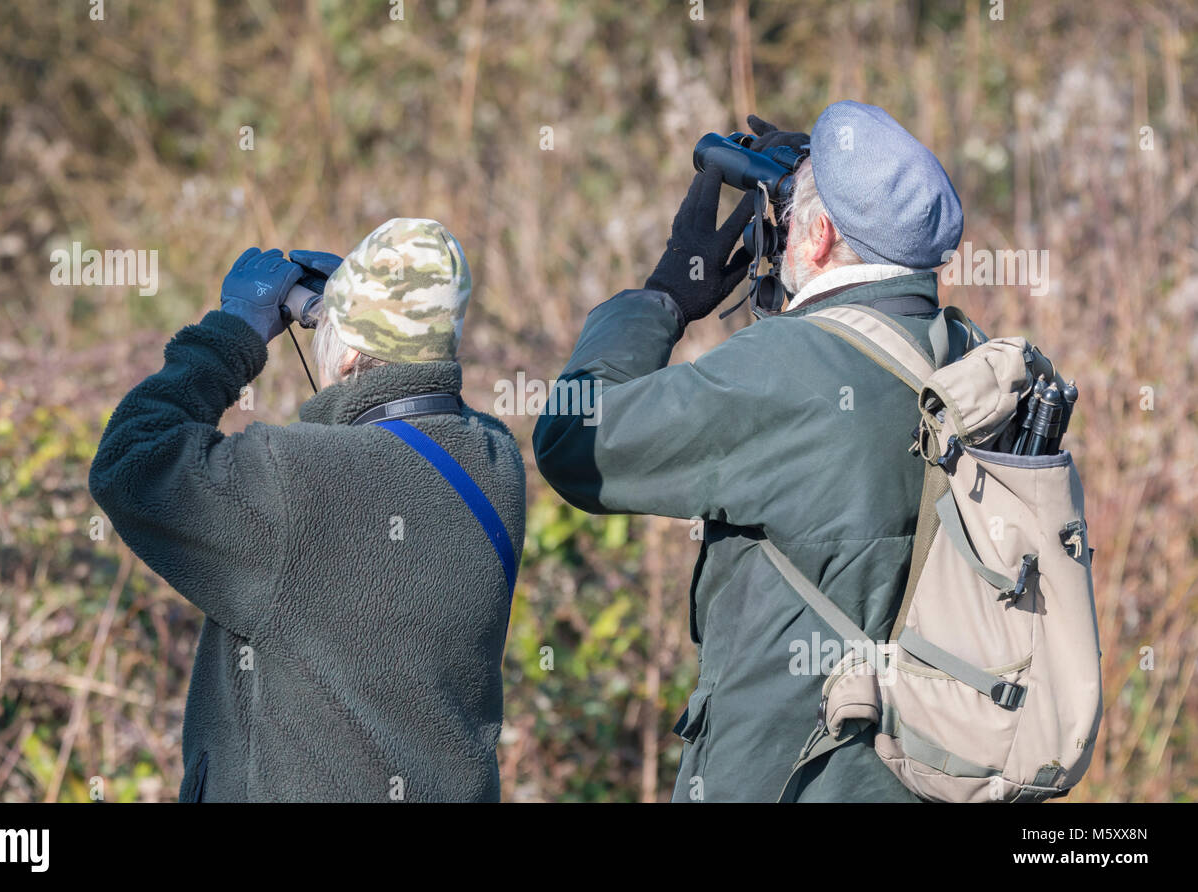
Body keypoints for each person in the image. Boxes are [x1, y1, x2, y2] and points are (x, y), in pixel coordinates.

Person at [533, 101, 966, 801]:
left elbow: (574, 442)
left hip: (785, 777)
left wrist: (662, 298)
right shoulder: (975, 363)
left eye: (791, 217)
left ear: (819, 238)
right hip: (932, 776)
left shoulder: (786, 371)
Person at [90, 217, 525, 801]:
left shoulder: (296, 478)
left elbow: (131, 462)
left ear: (345, 361)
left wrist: (233, 332)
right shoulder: (496, 461)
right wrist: (351, 308)